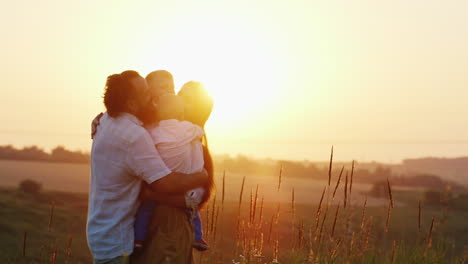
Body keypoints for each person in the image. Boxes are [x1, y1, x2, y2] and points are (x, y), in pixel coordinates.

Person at [87, 70, 209, 264]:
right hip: (121, 239)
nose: (161, 94)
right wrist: (201, 177)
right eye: (150, 90)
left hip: (151, 231)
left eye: (171, 88)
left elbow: (197, 197)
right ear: (131, 103)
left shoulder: (185, 131)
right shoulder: (136, 132)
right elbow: (166, 184)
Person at [131, 77, 214, 264]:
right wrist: (104, 119)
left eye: (187, 98)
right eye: (180, 94)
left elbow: (195, 197)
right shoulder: (160, 130)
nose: (178, 99)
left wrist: (153, 196)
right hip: (155, 225)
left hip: (171, 225)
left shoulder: (195, 145)